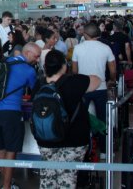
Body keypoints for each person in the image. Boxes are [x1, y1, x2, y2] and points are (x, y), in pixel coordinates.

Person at [36, 50, 101, 189]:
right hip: (73, 140)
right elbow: (97, 81)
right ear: (64, 65)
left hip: (46, 139)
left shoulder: (39, 84)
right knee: (67, 178)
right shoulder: (75, 82)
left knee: (47, 178)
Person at [0, 42, 40, 189]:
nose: (37, 60)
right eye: (36, 56)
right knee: (11, 150)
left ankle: (5, 183)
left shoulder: (4, 62)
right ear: (28, 53)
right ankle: (6, 186)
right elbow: (34, 89)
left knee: (0, 147)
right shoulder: (28, 70)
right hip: (11, 112)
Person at [71, 23, 115, 157]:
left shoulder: (78, 48)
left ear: (85, 34)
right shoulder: (105, 48)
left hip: (83, 88)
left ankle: (82, 149)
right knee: (103, 119)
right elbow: (113, 69)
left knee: (80, 118)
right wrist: (111, 81)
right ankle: (104, 151)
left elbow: (74, 71)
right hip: (101, 87)